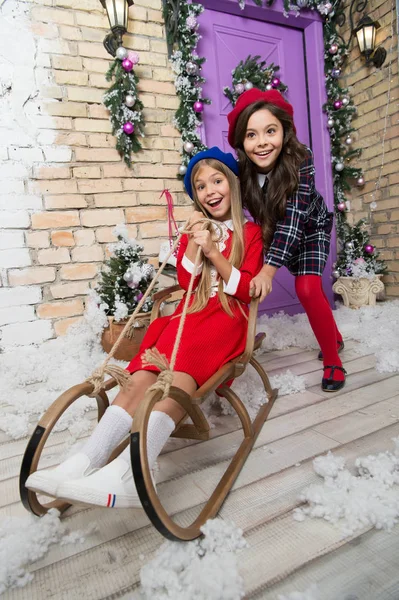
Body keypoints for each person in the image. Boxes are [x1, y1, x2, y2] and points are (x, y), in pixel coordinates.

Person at [26, 147, 264, 508]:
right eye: (200, 186)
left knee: (182, 365)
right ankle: (85, 460)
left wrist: (216, 253)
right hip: (192, 313)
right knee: (146, 369)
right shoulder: (196, 229)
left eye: (217, 181)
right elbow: (186, 279)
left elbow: (247, 290)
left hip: (227, 319)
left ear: (232, 184)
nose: (210, 190)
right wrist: (197, 245)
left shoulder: (250, 232)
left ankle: (131, 469)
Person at [227, 88, 345, 393]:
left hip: (308, 227)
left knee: (307, 288)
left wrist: (269, 269)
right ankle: (335, 335)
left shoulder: (301, 161)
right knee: (299, 288)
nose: (262, 142)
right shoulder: (241, 173)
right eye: (251, 135)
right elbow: (227, 205)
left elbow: (293, 220)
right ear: (241, 140)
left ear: (284, 131)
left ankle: (333, 360)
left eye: (270, 131)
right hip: (275, 232)